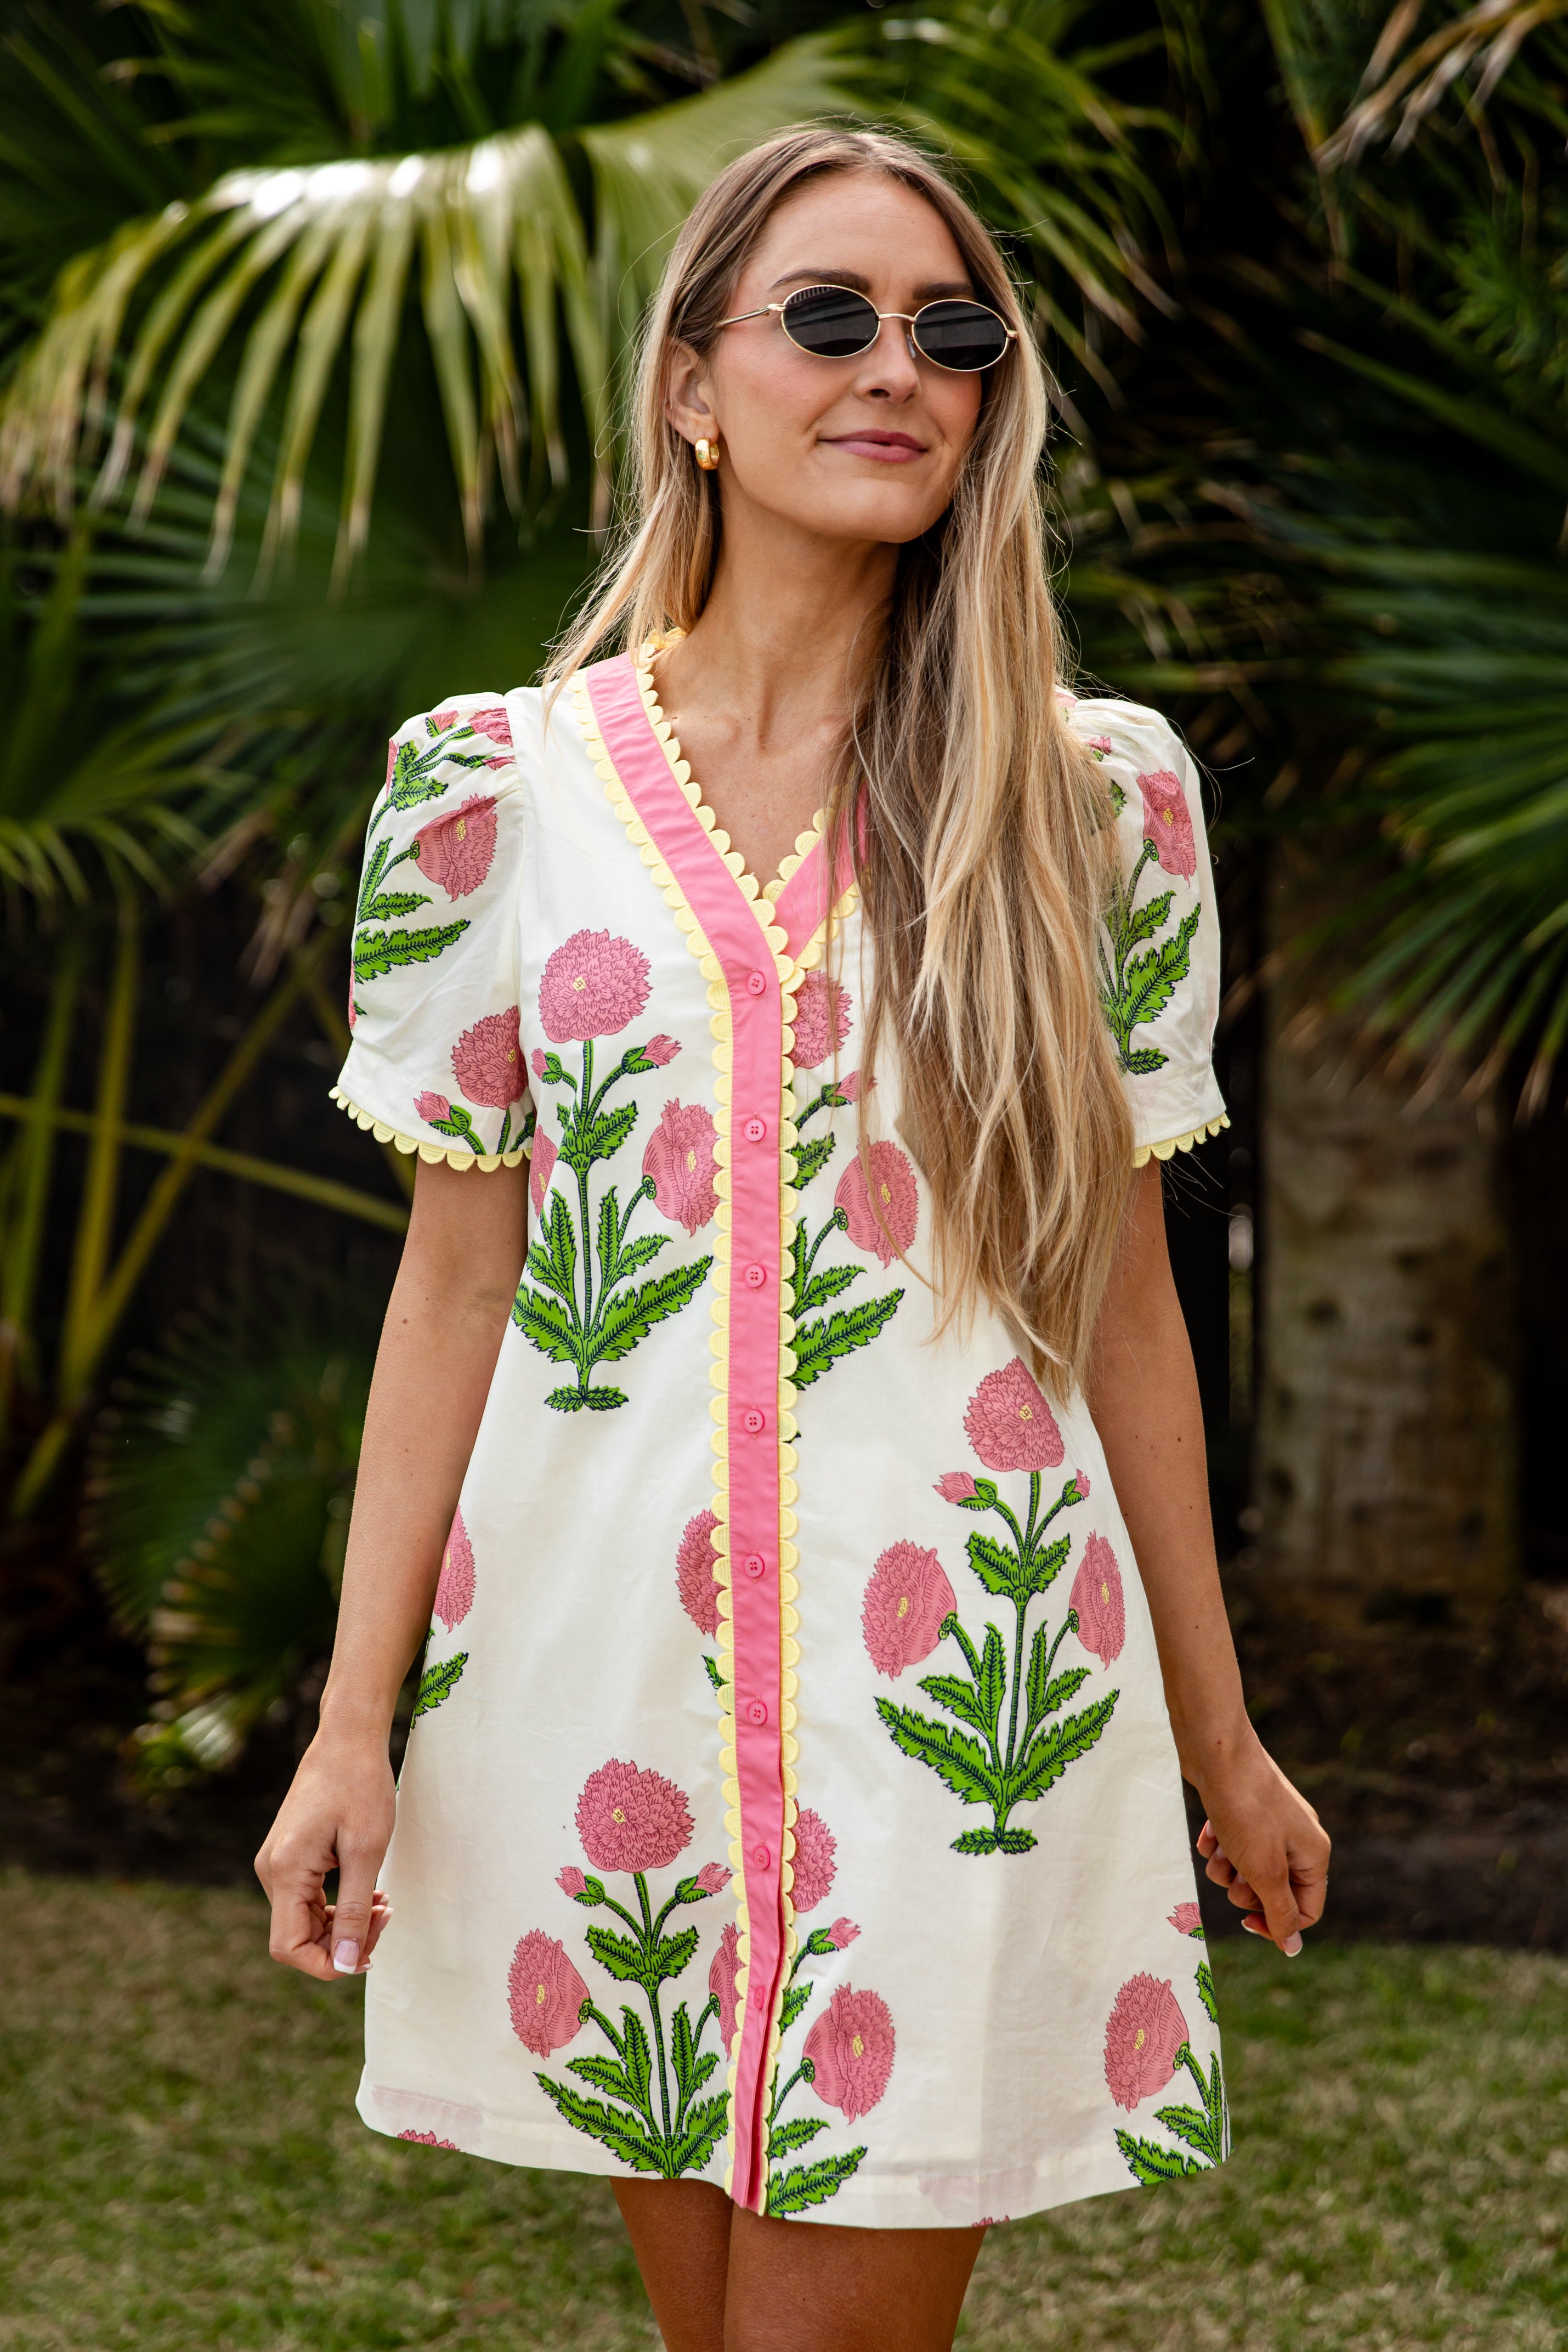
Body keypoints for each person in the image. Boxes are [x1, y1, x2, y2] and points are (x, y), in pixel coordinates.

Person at [256, 124, 1329, 2352]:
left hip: (956, 1692)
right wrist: (350, 1730)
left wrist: (1219, 1737)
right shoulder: (491, 792)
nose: (895, 368)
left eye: (953, 332)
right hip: (599, 1696)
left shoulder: (1090, 798)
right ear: (691, 386)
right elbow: (457, 1283)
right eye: (827, 316)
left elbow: (1123, 1298)